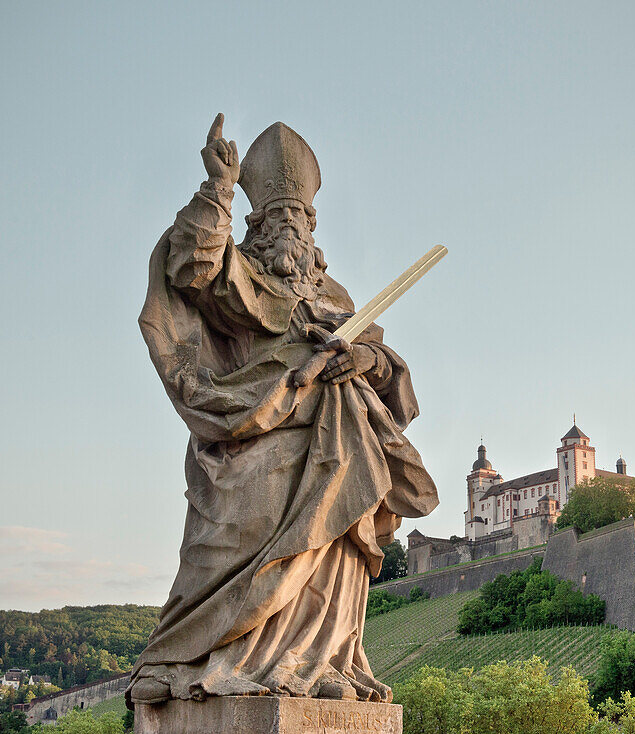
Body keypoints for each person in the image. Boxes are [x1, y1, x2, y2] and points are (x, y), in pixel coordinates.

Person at [128, 114, 438, 706]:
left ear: (313, 230)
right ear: (256, 225)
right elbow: (189, 266)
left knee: (334, 547)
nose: (290, 228)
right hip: (252, 437)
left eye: (299, 219)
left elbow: (383, 361)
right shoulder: (236, 275)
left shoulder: (336, 298)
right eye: (277, 218)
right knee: (228, 540)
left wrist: (363, 363)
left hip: (339, 442)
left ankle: (316, 663)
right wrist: (219, 187)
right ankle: (183, 656)